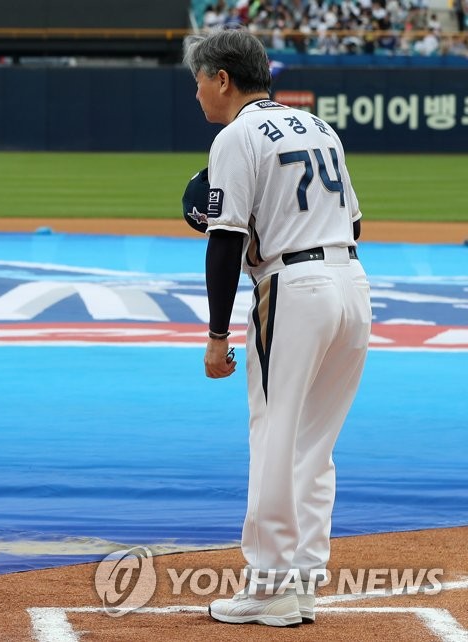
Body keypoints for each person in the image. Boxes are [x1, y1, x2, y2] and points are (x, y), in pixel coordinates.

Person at [183, 28, 372, 627]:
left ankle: (267, 587)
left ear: (222, 79)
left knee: (274, 439)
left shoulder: (235, 136)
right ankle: (304, 580)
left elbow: (226, 241)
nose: (196, 95)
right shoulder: (317, 126)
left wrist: (217, 335)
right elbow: (356, 225)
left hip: (293, 292)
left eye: (198, 81)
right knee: (313, 447)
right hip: (353, 288)